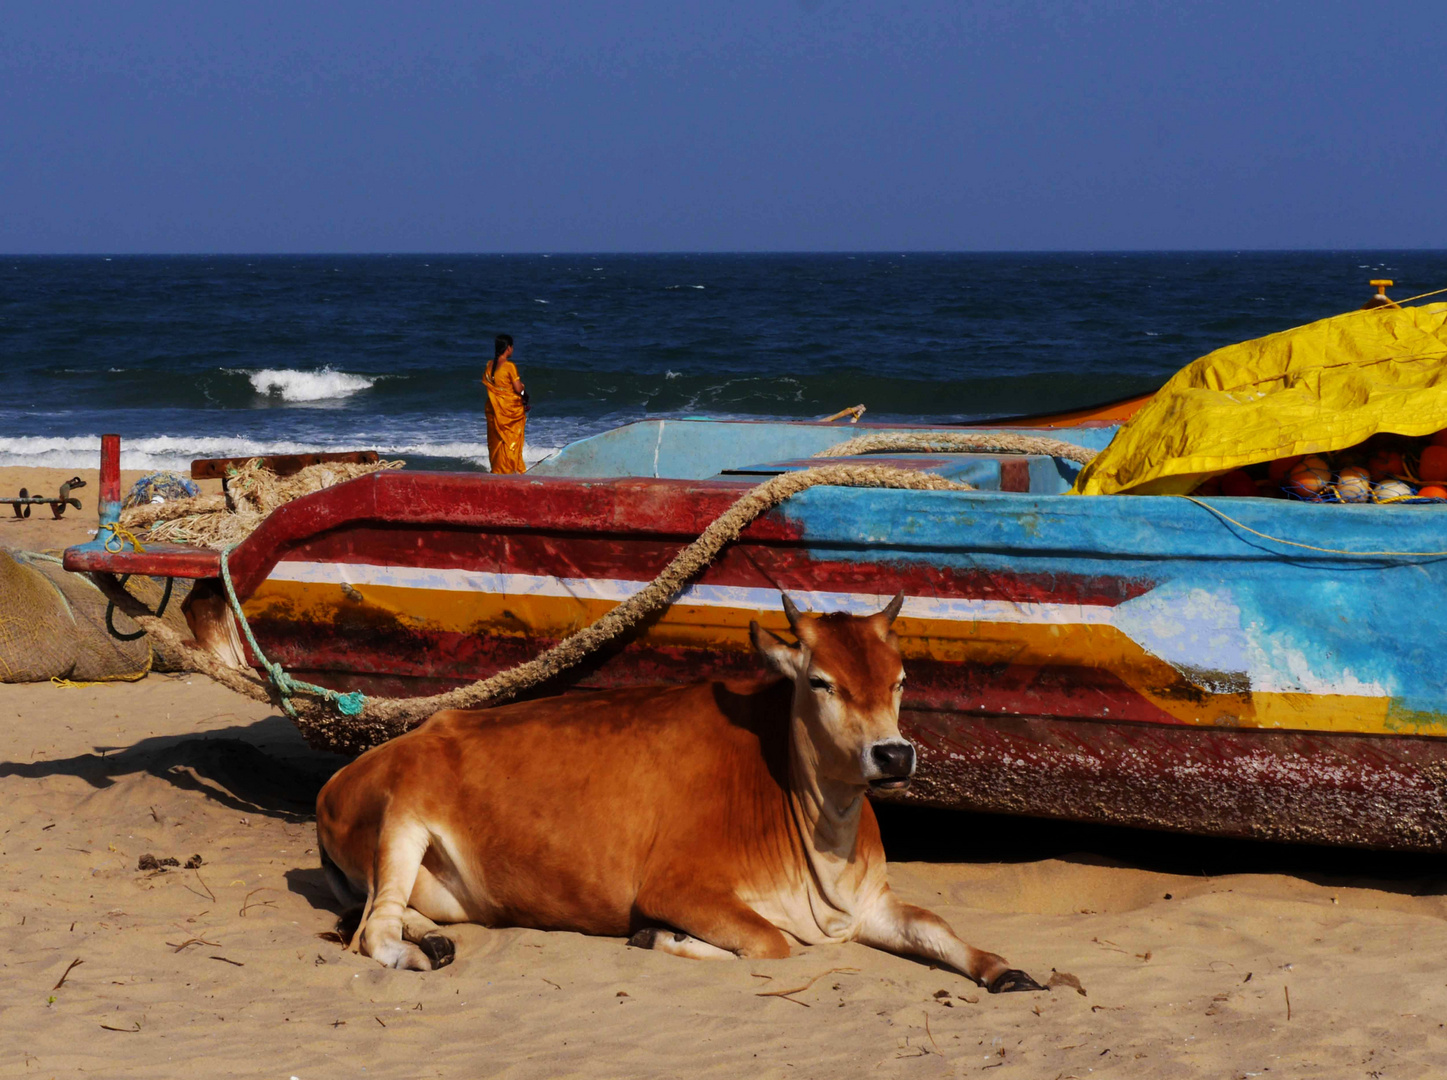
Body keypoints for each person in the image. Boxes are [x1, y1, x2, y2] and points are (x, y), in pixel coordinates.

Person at [483, 333, 529, 474]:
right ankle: (510, 469)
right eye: (512, 347)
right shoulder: (509, 366)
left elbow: (495, 387)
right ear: (508, 348)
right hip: (509, 411)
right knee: (510, 439)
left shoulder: (489, 365)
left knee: (497, 440)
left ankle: (497, 469)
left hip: (494, 408)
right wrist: (524, 393)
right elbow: (517, 388)